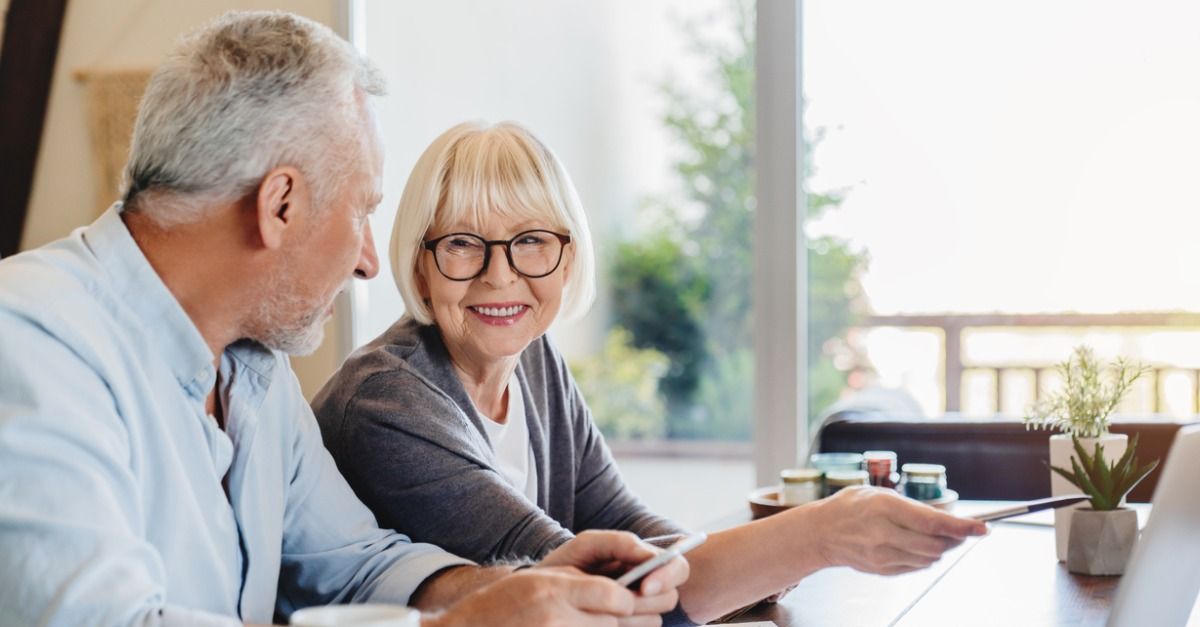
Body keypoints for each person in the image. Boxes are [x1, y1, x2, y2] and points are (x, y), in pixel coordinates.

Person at [0, 12, 688, 627]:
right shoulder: (30, 341)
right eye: (361, 210)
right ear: (281, 205)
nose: (368, 261)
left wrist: (526, 589)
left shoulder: (256, 373)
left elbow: (357, 562)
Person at [311, 120, 990, 625]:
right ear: (421, 262)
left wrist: (751, 566)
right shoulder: (387, 402)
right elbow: (595, 590)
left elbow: (623, 521)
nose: (500, 274)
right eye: (462, 243)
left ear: (568, 258)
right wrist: (815, 535)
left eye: (531, 242)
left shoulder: (536, 361)